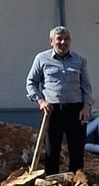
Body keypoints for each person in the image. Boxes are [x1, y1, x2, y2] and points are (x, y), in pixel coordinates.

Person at [25, 26, 94, 174]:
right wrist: (41, 101)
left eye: (66, 39)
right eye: (59, 39)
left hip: (76, 110)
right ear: (51, 41)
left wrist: (87, 106)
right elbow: (31, 83)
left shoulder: (80, 60)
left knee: (76, 152)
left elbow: (86, 87)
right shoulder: (41, 59)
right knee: (52, 152)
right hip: (52, 111)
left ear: (70, 41)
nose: (63, 42)